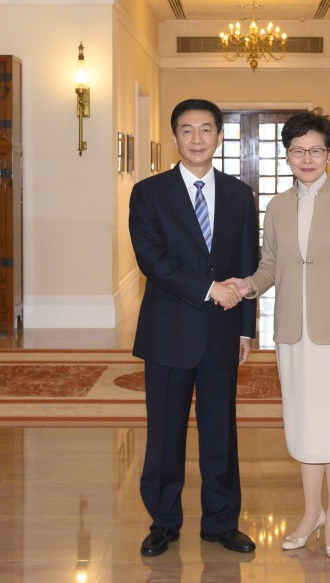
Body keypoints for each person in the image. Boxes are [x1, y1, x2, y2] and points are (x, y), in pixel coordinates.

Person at [228, 110, 330, 561]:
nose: (307, 158)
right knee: (304, 426)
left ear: (329, 154)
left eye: (315, 150)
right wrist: (247, 286)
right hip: (293, 335)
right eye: (298, 151)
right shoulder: (276, 208)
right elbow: (270, 267)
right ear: (287, 155)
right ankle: (311, 512)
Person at [129, 98, 259, 557]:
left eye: (206, 129)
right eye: (187, 130)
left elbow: (248, 262)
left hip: (223, 331)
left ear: (219, 136)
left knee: (221, 431)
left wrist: (245, 329)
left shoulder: (240, 194)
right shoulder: (149, 193)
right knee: (165, 432)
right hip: (168, 331)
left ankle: (221, 522)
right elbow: (152, 260)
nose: (197, 138)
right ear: (175, 137)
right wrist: (208, 289)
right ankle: (163, 522)